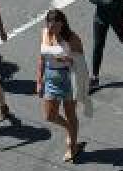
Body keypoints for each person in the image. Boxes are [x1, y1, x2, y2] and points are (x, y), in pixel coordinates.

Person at [37, 9, 88, 162]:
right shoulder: (45, 33)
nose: (51, 29)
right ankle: (69, 128)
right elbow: (41, 58)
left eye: (54, 26)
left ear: (62, 24)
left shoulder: (72, 39)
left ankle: (72, 146)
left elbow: (81, 62)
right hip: (51, 79)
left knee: (70, 114)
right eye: (49, 25)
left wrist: (67, 60)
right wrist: (39, 80)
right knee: (49, 115)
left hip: (68, 78)